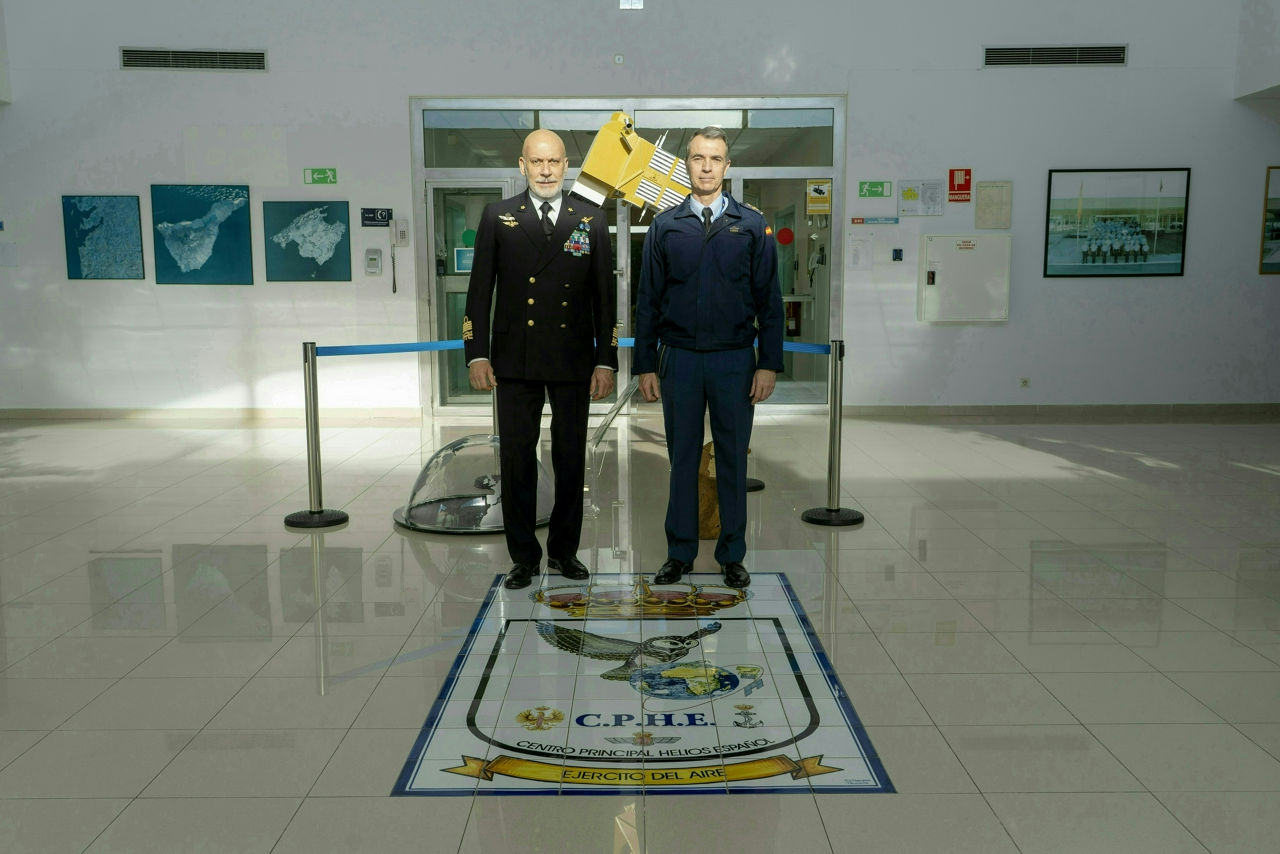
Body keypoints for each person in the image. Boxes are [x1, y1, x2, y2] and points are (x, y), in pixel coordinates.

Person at [463, 129, 618, 590]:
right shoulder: (498, 216)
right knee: (516, 459)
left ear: (565, 166)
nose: (545, 171)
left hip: (572, 357)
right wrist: (477, 354)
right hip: (514, 359)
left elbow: (604, 299)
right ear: (522, 165)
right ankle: (524, 557)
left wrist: (605, 360)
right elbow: (478, 292)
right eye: (536, 162)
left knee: (570, 457)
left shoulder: (590, 218)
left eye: (553, 162)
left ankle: (565, 552)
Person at [633, 126, 784, 590]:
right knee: (681, 458)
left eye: (715, 159)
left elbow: (769, 300)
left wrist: (768, 362)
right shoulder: (665, 225)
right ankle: (679, 552)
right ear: (686, 164)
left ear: (727, 166)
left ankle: (731, 554)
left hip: (735, 361)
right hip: (678, 359)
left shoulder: (753, 226)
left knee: (733, 458)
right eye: (698, 157)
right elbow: (648, 300)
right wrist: (645, 363)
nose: (705, 167)